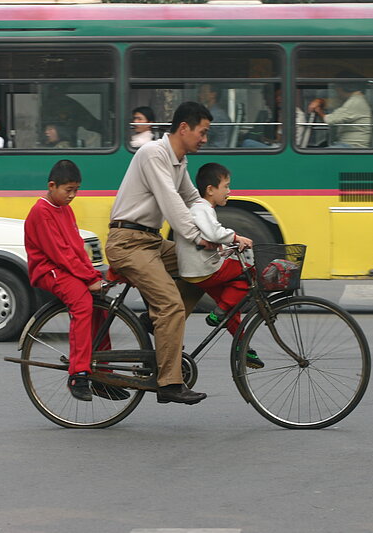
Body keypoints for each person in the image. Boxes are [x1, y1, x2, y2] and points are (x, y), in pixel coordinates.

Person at [105, 101, 215, 406]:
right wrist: (196, 235)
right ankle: (169, 382)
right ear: (184, 128)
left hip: (150, 242)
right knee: (170, 305)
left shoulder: (179, 162)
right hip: (127, 242)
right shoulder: (153, 153)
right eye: (202, 132)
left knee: (202, 270)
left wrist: (222, 233)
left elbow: (193, 199)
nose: (205, 139)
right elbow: (170, 201)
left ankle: (151, 323)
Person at [24, 160, 129, 402]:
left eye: (76, 190)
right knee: (82, 304)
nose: (72, 195)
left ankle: (104, 375)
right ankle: (78, 373)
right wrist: (87, 279)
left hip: (66, 267)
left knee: (99, 308)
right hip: (48, 270)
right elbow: (59, 253)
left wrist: (93, 276)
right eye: (68, 190)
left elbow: (76, 249)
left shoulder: (66, 209)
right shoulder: (41, 211)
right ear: (52, 186)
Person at [175, 162, 264, 369]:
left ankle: (244, 347)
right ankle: (219, 312)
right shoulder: (201, 208)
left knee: (231, 310)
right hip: (203, 269)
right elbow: (214, 232)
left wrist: (225, 247)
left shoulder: (201, 209)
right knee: (249, 273)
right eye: (226, 186)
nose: (229, 192)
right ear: (210, 190)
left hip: (201, 269)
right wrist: (236, 237)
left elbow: (209, 234)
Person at [307, 71, 371, 149]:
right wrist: (319, 101)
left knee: (317, 157)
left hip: (352, 146)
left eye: (336, 88)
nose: (336, 91)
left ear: (345, 87)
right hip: (344, 144)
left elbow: (329, 120)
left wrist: (318, 110)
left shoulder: (355, 102)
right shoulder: (351, 99)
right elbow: (333, 102)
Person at [197, 83, 233, 148]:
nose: (200, 95)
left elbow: (200, 135)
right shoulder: (213, 112)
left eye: (203, 92)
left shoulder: (216, 115)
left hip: (214, 150)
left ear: (213, 95)